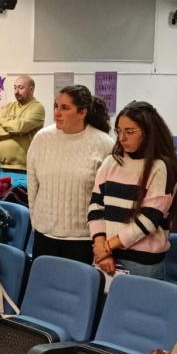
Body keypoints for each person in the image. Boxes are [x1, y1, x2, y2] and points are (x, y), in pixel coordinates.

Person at [88, 101, 177, 280]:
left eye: (129, 132)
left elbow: (148, 220)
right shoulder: (111, 162)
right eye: (119, 131)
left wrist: (107, 247)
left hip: (142, 261)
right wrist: (101, 246)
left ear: (148, 133)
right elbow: (95, 207)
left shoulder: (160, 167)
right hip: (106, 256)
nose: (122, 138)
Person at [25, 85, 114, 264]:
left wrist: (102, 237)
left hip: (83, 240)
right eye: (56, 106)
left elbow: (107, 198)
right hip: (45, 236)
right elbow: (33, 186)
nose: (57, 113)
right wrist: (37, 222)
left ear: (82, 112)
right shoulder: (42, 139)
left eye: (65, 108)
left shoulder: (104, 144)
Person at [0, 75, 45, 172]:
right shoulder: (9, 106)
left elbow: (19, 127)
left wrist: (2, 121)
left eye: (20, 88)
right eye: (15, 87)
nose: (16, 91)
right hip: (2, 166)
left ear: (31, 89)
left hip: (25, 168)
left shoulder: (37, 108)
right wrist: (15, 131)